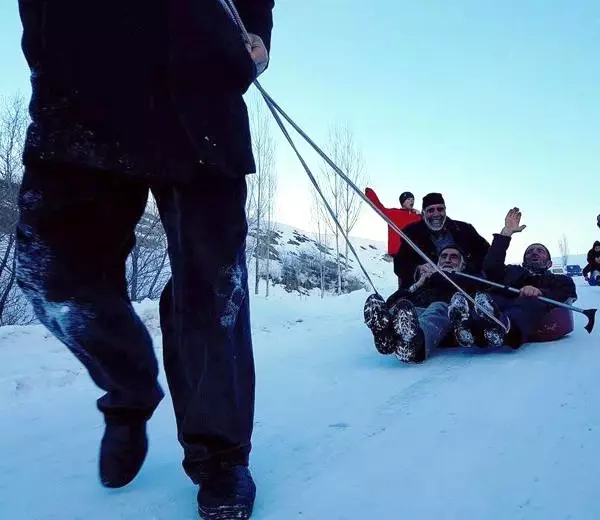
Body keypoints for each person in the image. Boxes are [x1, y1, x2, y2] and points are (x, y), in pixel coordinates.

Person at [15, 1, 275, 519]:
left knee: (212, 288)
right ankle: (128, 386)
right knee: (52, 276)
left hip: (198, 82)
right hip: (78, 80)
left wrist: (254, 30)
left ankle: (220, 455)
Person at [449, 208, 577, 349]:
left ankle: (503, 327)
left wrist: (540, 292)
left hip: (524, 310)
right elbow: (490, 267)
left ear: (549, 263)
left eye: (539, 251)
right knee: (488, 297)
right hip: (500, 303)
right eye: (529, 252)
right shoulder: (512, 271)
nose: (534, 253)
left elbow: (566, 292)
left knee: (527, 302)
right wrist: (505, 234)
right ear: (523, 261)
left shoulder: (559, 280)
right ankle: (466, 325)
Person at [364, 244, 481, 363]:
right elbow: (391, 302)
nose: (447, 260)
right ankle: (386, 337)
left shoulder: (467, 279)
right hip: (415, 316)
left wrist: (437, 275)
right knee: (402, 306)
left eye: (453, 257)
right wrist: (417, 285)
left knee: (438, 307)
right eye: (444, 256)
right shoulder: (425, 280)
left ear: (462, 264)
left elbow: (469, 303)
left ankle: (415, 344)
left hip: (443, 323)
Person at [393, 192, 490, 288]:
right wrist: (417, 269)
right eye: (431, 210)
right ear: (423, 213)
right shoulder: (411, 234)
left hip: (463, 285)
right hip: (425, 287)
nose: (436, 214)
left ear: (445, 211)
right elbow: (400, 265)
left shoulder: (464, 229)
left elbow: (485, 252)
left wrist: (466, 267)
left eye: (440, 209)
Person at [364, 187, 421, 256]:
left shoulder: (417, 216)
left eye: (413, 199)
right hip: (398, 252)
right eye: (408, 199)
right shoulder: (394, 213)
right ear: (403, 202)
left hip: (414, 252)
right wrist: (370, 193)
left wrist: (420, 215)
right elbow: (379, 207)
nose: (412, 201)